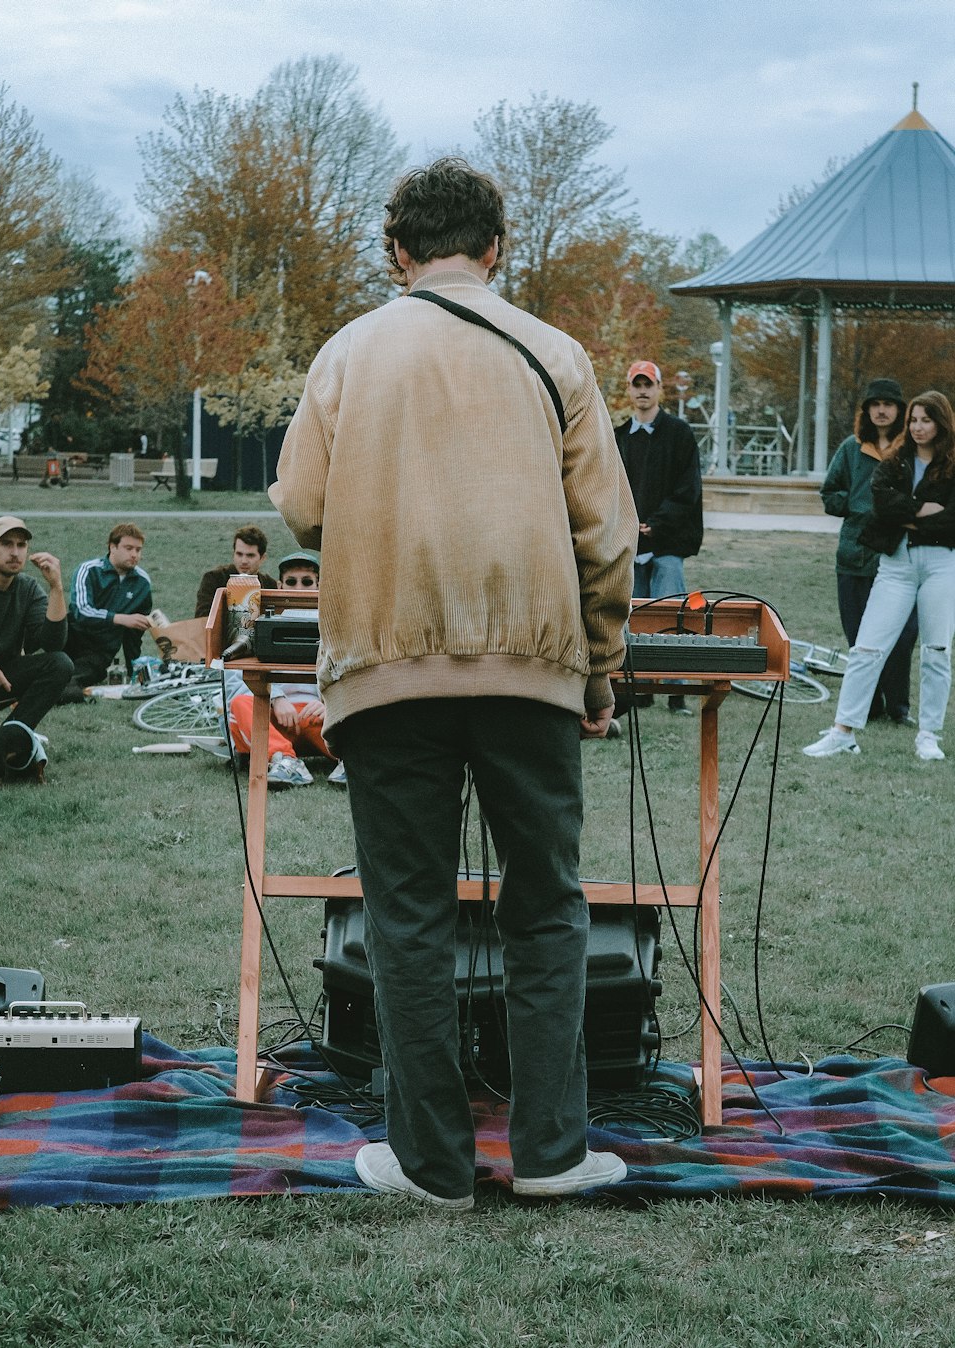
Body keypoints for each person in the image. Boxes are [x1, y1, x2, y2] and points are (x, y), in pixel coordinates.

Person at [270, 157, 637, 1207]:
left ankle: (429, 1162)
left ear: (396, 252)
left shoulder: (349, 350)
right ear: (498, 246)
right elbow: (606, 536)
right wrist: (600, 667)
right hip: (532, 668)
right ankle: (552, 1152)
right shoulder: (553, 351)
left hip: (385, 666)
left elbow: (299, 505)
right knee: (547, 906)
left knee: (409, 914)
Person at [804, 390, 955, 762]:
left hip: (941, 564)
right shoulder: (896, 460)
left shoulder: (952, 465)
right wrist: (921, 510)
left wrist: (908, 515)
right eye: (914, 420)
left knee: (936, 651)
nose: (919, 428)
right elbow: (879, 505)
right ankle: (843, 731)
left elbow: (951, 519)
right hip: (896, 564)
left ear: (941, 423)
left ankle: (928, 735)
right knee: (867, 648)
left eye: (926, 420)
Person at [820, 378, 917, 725]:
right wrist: (857, 504)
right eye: (874, 404)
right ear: (866, 410)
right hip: (854, 557)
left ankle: (899, 708)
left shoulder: (910, 449)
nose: (881, 410)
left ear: (900, 410)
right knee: (859, 635)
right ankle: (870, 705)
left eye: (888, 404)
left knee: (903, 635)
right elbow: (829, 493)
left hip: (898, 556)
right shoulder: (851, 448)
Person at [615, 360, 703, 715]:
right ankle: (639, 689)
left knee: (671, 617)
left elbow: (688, 488)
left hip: (666, 543)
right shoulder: (619, 436)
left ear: (658, 388)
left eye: (648, 384)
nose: (642, 390)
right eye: (636, 384)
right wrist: (627, 523)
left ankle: (676, 692)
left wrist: (657, 523)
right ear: (629, 389)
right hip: (630, 544)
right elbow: (609, 485)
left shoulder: (679, 434)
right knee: (633, 618)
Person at [0, 516, 72, 774]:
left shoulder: (28, 589)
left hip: (1, 680)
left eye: (21, 545)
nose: (15, 552)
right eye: (6, 544)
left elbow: (53, 643)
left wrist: (56, 588)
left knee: (60, 664)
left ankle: (2, 741)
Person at [224, 552, 344, 786]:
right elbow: (236, 676)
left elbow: (348, 675)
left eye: (307, 582)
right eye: (291, 582)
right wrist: (275, 698)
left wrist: (330, 704)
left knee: (351, 711)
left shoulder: (333, 625)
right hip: (273, 721)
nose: (299, 588)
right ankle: (284, 760)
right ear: (280, 585)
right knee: (241, 705)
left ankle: (347, 762)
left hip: (317, 718)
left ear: (318, 585)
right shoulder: (262, 622)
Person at [61, 523, 153, 699]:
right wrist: (119, 618)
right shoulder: (88, 570)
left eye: (138, 550)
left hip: (101, 650)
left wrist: (134, 671)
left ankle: (66, 691)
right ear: (112, 547)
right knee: (52, 666)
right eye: (128, 548)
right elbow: (81, 611)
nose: (134, 554)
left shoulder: (142, 583)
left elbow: (134, 634)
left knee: (79, 676)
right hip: (71, 637)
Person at [194, 526, 278, 618]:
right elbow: (202, 617)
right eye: (239, 554)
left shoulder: (270, 584)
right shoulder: (214, 579)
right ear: (233, 554)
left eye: (250, 555)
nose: (244, 561)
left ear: (262, 558)